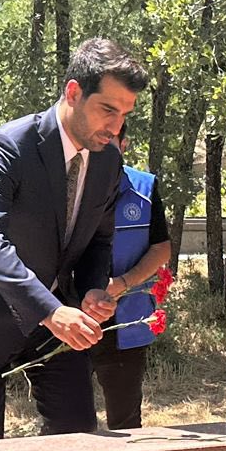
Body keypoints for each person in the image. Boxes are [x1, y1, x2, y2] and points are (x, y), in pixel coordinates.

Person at [0, 37, 149, 441]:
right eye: (108, 111)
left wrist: (94, 288)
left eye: (125, 114)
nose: (115, 128)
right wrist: (51, 311)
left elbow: (100, 238)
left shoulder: (109, 160)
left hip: (53, 318)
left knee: (78, 434)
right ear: (74, 92)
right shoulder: (8, 146)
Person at [87, 134, 172, 430]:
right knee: (67, 422)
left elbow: (161, 248)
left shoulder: (144, 188)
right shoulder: (65, 186)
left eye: (110, 138)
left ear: (124, 145)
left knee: (125, 422)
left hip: (125, 321)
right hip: (73, 320)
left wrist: (123, 282)